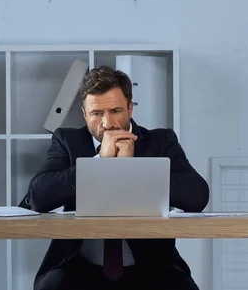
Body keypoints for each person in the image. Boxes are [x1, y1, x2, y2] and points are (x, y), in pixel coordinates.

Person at [18, 66, 210, 290]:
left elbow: (197, 196)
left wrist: (133, 168)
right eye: (97, 114)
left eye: (116, 111)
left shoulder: (161, 140)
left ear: (130, 108)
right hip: (79, 265)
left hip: (151, 266)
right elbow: (39, 195)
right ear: (84, 114)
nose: (107, 123)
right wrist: (100, 161)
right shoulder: (67, 140)